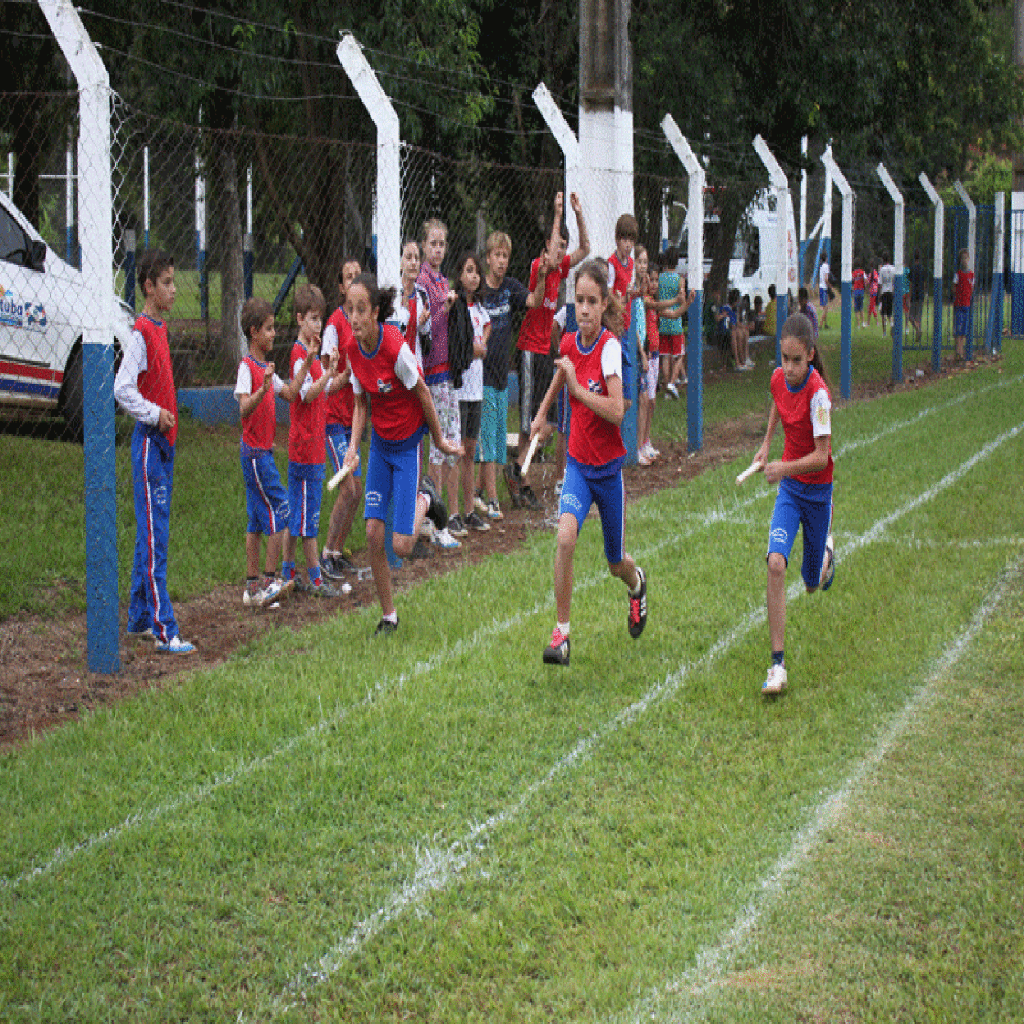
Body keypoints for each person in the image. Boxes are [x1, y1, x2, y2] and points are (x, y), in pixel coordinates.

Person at [528, 259, 648, 667]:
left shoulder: (610, 348)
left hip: (608, 472)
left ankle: (637, 585)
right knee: (565, 539)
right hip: (578, 465)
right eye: (578, 300)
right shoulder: (569, 343)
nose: (583, 309)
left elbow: (616, 411)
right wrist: (543, 416)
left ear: (603, 305)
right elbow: (561, 376)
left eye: (591, 301)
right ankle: (561, 633)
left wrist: (578, 391)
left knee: (615, 563)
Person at [341, 274, 461, 635]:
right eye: (350, 310)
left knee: (403, 545)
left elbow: (423, 392)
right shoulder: (352, 348)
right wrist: (351, 449)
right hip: (380, 447)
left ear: (376, 312)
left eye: (362, 309)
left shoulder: (394, 348)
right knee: (374, 535)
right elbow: (361, 402)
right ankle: (389, 615)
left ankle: (427, 496)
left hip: (409, 447)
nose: (356, 317)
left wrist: (438, 441)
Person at [114, 249, 195, 654]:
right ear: (148, 287)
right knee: (154, 537)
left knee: (151, 533)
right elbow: (122, 389)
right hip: (149, 444)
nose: (174, 289)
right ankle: (165, 629)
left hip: (164, 446)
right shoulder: (140, 333)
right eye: (166, 282)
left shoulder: (159, 328)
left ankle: (139, 618)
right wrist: (154, 413)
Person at [751, 312, 835, 695]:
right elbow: (777, 402)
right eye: (784, 358)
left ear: (811, 355)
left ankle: (826, 557)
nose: (789, 367)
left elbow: (822, 456)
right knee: (775, 563)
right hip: (790, 493)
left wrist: (782, 467)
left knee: (812, 583)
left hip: (817, 492)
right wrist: (767, 443)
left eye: (797, 360)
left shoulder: (819, 396)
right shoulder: (777, 378)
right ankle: (777, 665)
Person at [506, 191, 590, 511]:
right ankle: (521, 479)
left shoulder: (561, 270)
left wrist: (577, 214)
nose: (561, 253)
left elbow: (586, 249)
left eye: (563, 247)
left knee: (548, 424)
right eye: (556, 245)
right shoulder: (539, 267)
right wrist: (556, 214)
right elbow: (551, 260)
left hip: (546, 351)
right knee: (530, 421)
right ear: (545, 248)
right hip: (530, 349)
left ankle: (517, 468)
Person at [234, 296, 303, 608]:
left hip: (262, 453)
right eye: (269, 328)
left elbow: (289, 393)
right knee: (281, 510)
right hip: (255, 455)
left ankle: (251, 587)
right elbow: (244, 408)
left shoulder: (267, 370)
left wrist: (310, 360)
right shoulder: (248, 368)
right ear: (253, 333)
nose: (274, 333)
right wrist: (262, 388)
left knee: (255, 519)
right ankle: (269, 580)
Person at [477, 230, 548, 521]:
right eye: (497, 255)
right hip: (480, 375)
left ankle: (481, 494)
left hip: (502, 373)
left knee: (495, 434)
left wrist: (542, 277)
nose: (502, 261)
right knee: (487, 438)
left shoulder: (510, 288)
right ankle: (489, 498)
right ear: (488, 258)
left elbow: (533, 300)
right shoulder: (480, 290)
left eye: (506, 256)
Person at [282, 283, 345, 596]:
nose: (317, 325)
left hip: (309, 446)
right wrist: (326, 374)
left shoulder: (312, 357)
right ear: (299, 320)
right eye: (311, 318)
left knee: (298, 512)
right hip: (306, 449)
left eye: (320, 319)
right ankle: (315, 579)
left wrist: (332, 371)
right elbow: (306, 393)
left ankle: (288, 571)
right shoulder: (300, 356)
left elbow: (320, 387)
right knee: (307, 518)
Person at [416, 217, 462, 550]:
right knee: (436, 447)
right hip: (430, 373)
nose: (437, 249)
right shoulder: (422, 283)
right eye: (432, 243)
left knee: (448, 444)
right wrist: (442, 308)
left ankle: (439, 517)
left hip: (446, 372)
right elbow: (423, 325)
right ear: (422, 246)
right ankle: (432, 521)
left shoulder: (442, 280)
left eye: (442, 244)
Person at [320, 257, 362, 579]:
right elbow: (327, 385)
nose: (353, 281)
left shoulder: (361, 321)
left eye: (358, 276)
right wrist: (347, 374)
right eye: (348, 277)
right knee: (347, 489)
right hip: (334, 418)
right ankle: (326, 554)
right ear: (340, 287)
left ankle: (337, 550)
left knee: (356, 490)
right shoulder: (334, 325)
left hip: (352, 420)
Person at [450, 250, 492, 536]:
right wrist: (474, 349)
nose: (473, 276)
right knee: (457, 452)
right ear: (459, 274)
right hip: (459, 389)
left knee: (470, 451)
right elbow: (458, 344)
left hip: (476, 390)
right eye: (468, 270)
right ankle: (452, 512)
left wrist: (482, 344)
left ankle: (468, 510)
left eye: (476, 271)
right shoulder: (456, 307)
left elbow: (487, 326)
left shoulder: (478, 308)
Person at [657, 247, 685, 396]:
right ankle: (671, 384)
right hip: (675, 323)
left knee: (666, 356)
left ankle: (667, 386)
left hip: (662, 321)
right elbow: (682, 300)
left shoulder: (660, 278)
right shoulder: (680, 280)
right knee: (679, 356)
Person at [952, 247, 974, 361]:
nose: (964, 260)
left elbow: (971, 288)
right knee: (958, 329)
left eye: (966, 258)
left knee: (964, 331)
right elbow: (954, 287)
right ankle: (958, 352)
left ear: (969, 259)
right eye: (962, 258)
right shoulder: (958, 274)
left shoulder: (971, 274)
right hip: (959, 305)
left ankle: (961, 351)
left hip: (966, 305)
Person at [908, 249, 927, 345]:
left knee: (910, 316)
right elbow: (924, 283)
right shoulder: (922, 268)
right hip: (920, 294)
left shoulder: (912, 268)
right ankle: (918, 331)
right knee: (918, 316)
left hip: (914, 294)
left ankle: (918, 330)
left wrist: (909, 295)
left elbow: (911, 284)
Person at [878, 252, 896, 336]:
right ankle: (892, 324)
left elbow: (880, 283)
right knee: (890, 312)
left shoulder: (882, 269)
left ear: (883, 259)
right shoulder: (893, 268)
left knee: (883, 313)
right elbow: (895, 281)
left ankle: (884, 332)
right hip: (891, 292)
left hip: (884, 292)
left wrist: (879, 295)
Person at [818, 253, 832, 330]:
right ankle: (820, 325)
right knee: (825, 308)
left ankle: (825, 324)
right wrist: (829, 286)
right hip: (824, 288)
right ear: (826, 258)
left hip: (821, 288)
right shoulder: (826, 266)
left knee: (825, 307)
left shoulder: (821, 266)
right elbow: (826, 279)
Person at [852, 262, 867, 328]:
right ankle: (863, 323)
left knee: (856, 309)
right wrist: (864, 285)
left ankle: (858, 325)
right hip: (861, 291)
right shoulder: (862, 272)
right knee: (861, 308)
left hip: (856, 291)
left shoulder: (854, 273)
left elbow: (851, 279)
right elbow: (866, 280)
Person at [867, 261, 880, 328]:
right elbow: (878, 281)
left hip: (872, 291)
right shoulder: (876, 273)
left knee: (871, 307)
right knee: (872, 306)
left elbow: (867, 282)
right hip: (876, 291)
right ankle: (873, 322)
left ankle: (870, 322)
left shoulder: (870, 274)